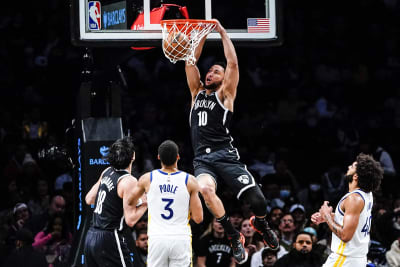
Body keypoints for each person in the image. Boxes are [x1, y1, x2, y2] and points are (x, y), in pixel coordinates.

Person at [184, 19, 279, 264]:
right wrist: (202, 34)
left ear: (224, 78)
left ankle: (261, 223)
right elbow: (190, 62)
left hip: (225, 155)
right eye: (209, 70)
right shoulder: (196, 94)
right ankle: (233, 233)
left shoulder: (225, 95)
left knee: (258, 202)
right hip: (202, 160)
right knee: (205, 189)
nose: (210, 73)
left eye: (216, 71)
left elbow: (233, 63)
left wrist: (222, 31)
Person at [128, 140, 203, 267]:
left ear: (158, 157)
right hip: (180, 238)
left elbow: (130, 201)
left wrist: (145, 200)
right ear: (178, 157)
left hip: (157, 238)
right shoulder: (190, 180)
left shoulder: (147, 178)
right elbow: (198, 218)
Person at [83, 136, 148, 267]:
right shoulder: (128, 181)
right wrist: (147, 202)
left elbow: (89, 199)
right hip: (109, 237)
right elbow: (131, 220)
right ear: (133, 156)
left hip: (91, 236)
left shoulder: (107, 171)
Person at [311, 153, 384, 267]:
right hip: (357, 259)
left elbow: (346, 236)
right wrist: (331, 217)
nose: (349, 166)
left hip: (345, 259)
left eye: (353, 166)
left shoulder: (354, 199)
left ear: (356, 176)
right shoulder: (367, 195)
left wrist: (327, 216)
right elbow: (356, 221)